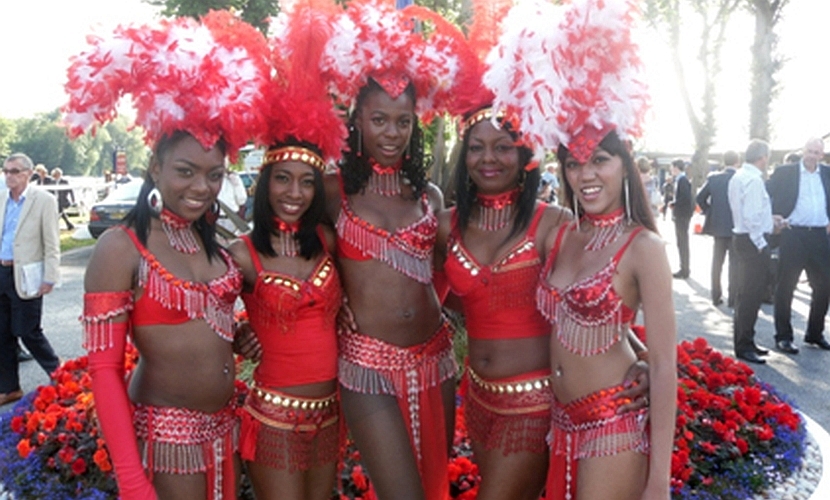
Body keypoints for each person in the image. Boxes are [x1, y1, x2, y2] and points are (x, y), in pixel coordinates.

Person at [67, 11, 272, 499]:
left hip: (226, 432)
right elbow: (104, 373)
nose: (202, 187)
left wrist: (237, 333)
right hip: (166, 442)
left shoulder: (214, 243)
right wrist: (133, 479)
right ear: (155, 168)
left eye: (214, 174)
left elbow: (208, 320)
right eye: (185, 170)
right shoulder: (122, 248)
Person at [487, 0, 676, 498]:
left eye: (601, 161)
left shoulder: (644, 248)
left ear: (623, 164)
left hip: (612, 427)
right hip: (560, 423)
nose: (586, 175)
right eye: (573, 164)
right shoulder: (563, 232)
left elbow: (662, 365)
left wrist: (658, 482)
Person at [319, 3, 468, 498]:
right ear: (357, 118)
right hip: (365, 364)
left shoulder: (430, 197)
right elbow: (294, 257)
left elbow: (445, 274)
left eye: (403, 122)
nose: (391, 133)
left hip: (436, 357)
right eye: (379, 119)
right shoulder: (330, 190)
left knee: (432, 488)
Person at [228, 5, 348, 499]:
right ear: (265, 184)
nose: (294, 192)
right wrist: (237, 333)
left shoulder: (328, 240)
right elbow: (206, 320)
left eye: (306, 181)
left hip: (330, 415)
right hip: (272, 418)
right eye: (282, 179)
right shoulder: (241, 255)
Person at [0, 153, 61, 407]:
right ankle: (9, 387)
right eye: (5, 171)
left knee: (28, 331)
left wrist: (50, 276)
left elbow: (51, 241)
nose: (8, 176)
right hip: (2, 271)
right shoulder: (3, 198)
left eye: (14, 171)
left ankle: (60, 375)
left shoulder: (43, 200)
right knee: (2, 333)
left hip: (27, 274)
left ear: (28, 173)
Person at [766, 137, 830, 354]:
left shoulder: (827, 174)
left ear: (822, 154)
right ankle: (783, 337)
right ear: (803, 151)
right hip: (794, 234)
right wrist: (771, 215)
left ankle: (814, 333)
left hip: (820, 235)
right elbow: (765, 194)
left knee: (824, 285)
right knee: (786, 286)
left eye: (817, 152)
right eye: (809, 151)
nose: (812, 155)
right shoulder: (786, 172)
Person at [728, 139, 781, 364]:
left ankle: (746, 341)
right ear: (763, 158)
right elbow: (751, 217)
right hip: (752, 242)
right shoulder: (754, 180)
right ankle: (744, 345)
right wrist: (761, 243)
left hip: (742, 238)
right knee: (751, 295)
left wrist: (771, 221)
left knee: (745, 295)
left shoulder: (738, 176)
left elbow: (749, 214)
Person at [696, 150, 739, 307]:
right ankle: (733, 298)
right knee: (734, 264)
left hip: (718, 226)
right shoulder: (740, 178)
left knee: (717, 263)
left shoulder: (714, 178)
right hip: (736, 226)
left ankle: (715, 295)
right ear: (737, 162)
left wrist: (709, 211)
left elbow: (699, 197)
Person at [671, 158, 693, 279]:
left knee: (682, 241)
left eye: (672, 167)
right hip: (681, 214)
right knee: (681, 241)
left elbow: (684, 198)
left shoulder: (682, 180)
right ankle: (684, 267)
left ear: (676, 168)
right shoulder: (681, 180)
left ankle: (684, 269)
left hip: (682, 215)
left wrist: (674, 203)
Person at [216, 170, 248, 236]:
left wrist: (236, 185)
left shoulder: (234, 178)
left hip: (231, 219)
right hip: (216, 219)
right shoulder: (212, 178)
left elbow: (242, 200)